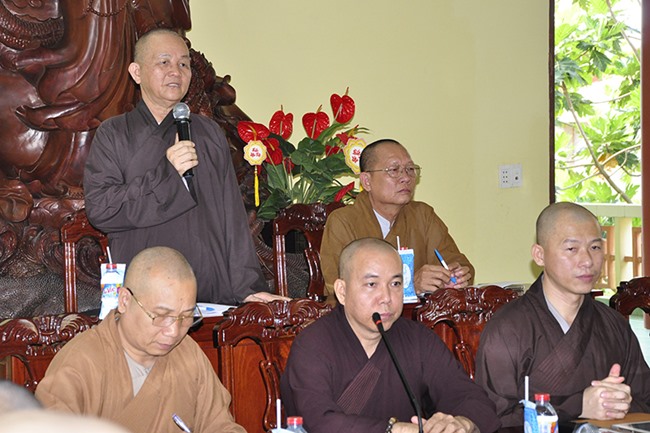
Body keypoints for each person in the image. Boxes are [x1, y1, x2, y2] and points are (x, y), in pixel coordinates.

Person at [84, 28, 282, 304]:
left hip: (212, 291)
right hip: (146, 298)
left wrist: (248, 288)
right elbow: (102, 210)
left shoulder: (209, 133)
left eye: (184, 64)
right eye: (164, 62)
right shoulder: (114, 134)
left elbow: (232, 217)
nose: (175, 71)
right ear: (137, 72)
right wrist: (167, 174)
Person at [280, 238, 500, 433]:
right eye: (372, 284)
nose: (386, 297)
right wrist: (393, 429)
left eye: (395, 284)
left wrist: (463, 422)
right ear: (342, 291)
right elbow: (317, 421)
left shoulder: (417, 339)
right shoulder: (313, 344)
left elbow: (470, 398)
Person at [475, 202, 650, 428]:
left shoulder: (613, 323)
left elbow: (645, 399)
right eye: (571, 249)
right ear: (539, 255)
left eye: (595, 247)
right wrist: (579, 405)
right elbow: (493, 419)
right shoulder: (508, 329)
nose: (587, 261)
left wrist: (619, 402)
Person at [35, 246, 246, 433]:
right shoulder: (81, 361)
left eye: (186, 317)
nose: (173, 331)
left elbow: (221, 426)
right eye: (161, 316)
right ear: (125, 301)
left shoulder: (188, 353)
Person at [321, 139, 473, 301]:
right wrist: (409, 285)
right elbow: (343, 287)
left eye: (410, 169)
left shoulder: (423, 215)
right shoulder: (343, 221)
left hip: (420, 314)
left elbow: (455, 260)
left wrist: (456, 275)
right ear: (366, 181)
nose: (406, 178)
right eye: (394, 170)